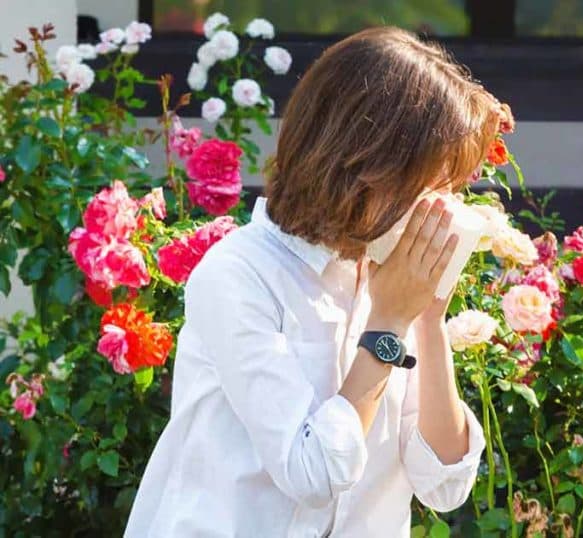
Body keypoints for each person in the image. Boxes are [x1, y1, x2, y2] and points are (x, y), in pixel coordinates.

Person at [125, 26, 497, 537]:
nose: (440, 204)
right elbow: (312, 471)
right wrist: (387, 323)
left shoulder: (386, 272)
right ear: (365, 163)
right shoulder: (239, 275)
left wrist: (428, 317)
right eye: (430, 182)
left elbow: (445, 483)